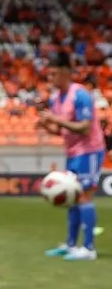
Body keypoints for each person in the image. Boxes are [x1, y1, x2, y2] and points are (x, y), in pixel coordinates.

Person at [39, 52, 106, 261]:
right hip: (73, 152)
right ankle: (70, 245)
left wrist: (55, 119)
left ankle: (88, 248)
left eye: (55, 74)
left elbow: (85, 128)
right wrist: (47, 126)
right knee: (73, 197)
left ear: (67, 73)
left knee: (84, 196)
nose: (52, 79)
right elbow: (64, 131)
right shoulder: (55, 98)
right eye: (50, 75)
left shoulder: (81, 95)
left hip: (90, 151)